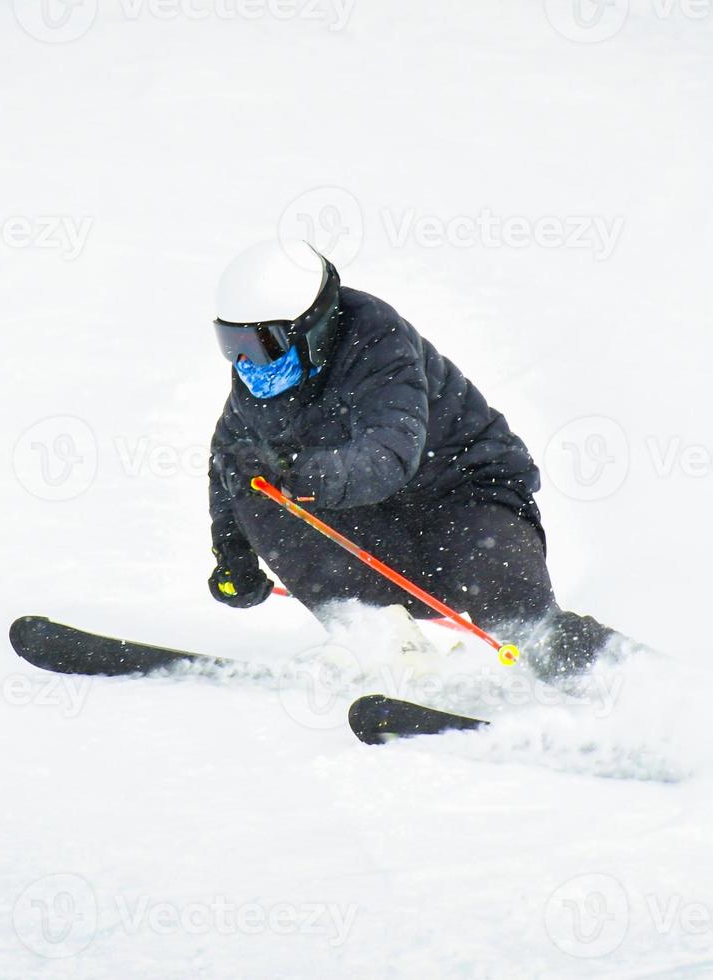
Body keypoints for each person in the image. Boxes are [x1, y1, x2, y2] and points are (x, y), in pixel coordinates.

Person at [205, 240, 619, 679]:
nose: (247, 363)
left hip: (467, 504)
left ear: (312, 326)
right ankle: (383, 643)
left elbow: (389, 454)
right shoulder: (259, 390)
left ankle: (628, 682)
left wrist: (306, 474)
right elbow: (228, 461)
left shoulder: (378, 344)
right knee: (256, 483)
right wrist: (234, 552)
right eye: (232, 344)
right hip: (383, 538)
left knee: (521, 622)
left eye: (263, 342)